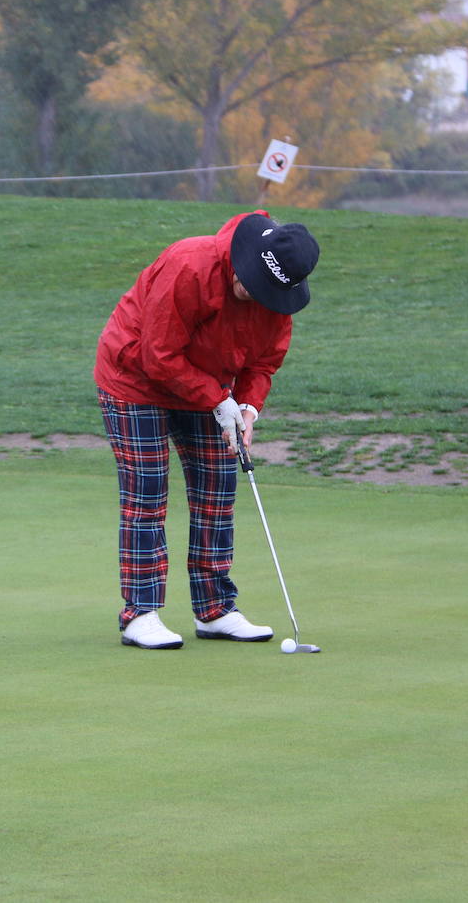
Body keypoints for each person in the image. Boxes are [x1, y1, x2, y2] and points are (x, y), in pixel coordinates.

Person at [93, 210, 320, 649]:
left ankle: (215, 610)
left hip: (207, 385)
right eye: (249, 280)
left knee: (217, 488)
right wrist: (218, 399)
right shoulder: (190, 265)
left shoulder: (276, 299)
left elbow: (263, 360)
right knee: (147, 490)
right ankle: (140, 613)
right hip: (133, 378)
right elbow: (158, 355)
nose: (248, 292)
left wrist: (249, 406)